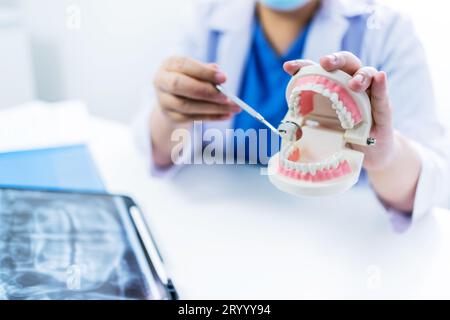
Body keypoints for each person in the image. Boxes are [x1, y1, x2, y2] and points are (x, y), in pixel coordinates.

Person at [135, 0, 450, 219]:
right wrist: (171, 113)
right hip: (222, 228)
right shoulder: (205, 17)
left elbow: (431, 186)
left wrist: (387, 156)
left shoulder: (387, 31)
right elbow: (158, 152)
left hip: (338, 245)